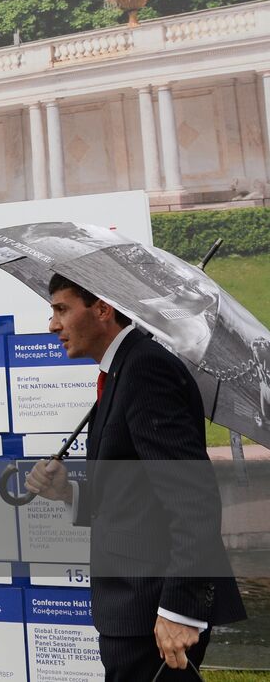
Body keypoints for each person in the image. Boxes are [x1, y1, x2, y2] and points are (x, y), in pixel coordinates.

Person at [25, 273, 245, 681]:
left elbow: (192, 497)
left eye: (61, 309)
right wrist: (68, 493)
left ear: (102, 309)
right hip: (133, 611)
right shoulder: (122, 371)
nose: (53, 325)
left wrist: (179, 610)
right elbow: (136, 496)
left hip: (155, 614)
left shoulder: (145, 368)